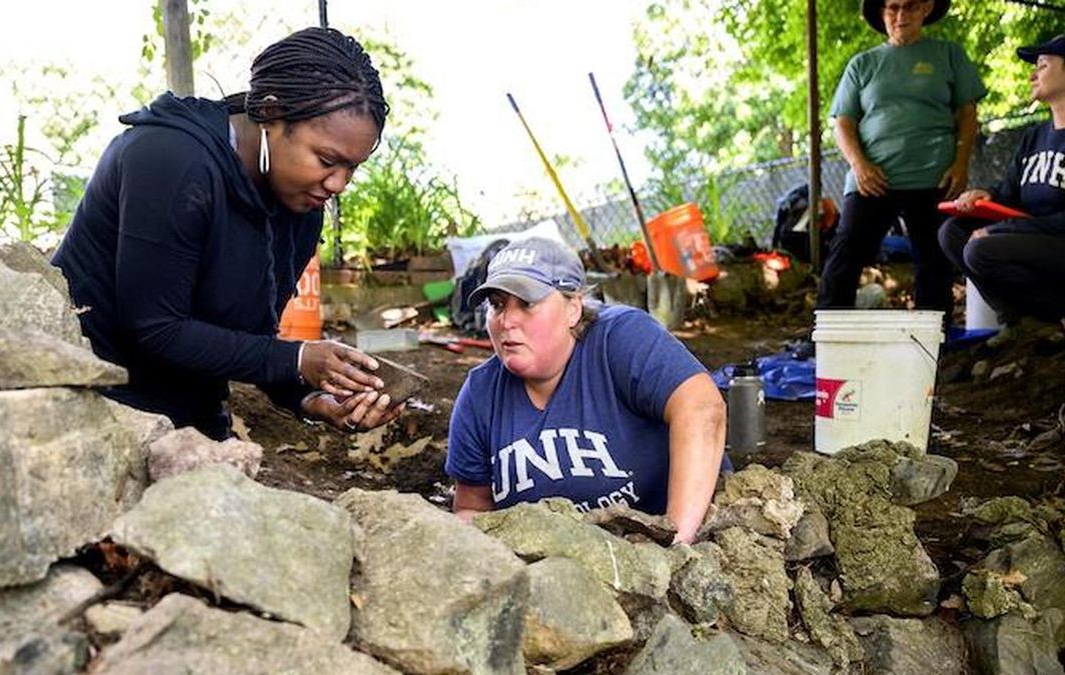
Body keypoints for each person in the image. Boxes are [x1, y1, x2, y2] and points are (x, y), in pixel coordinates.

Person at [52, 27, 403, 440]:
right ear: (271, 115)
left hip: (191, 410)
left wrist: (310, 398)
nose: (338, 184)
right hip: (94, 405)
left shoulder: (301, 202)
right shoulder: (172, 158)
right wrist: (297, 358)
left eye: (352, 168)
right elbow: (154, 327)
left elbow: (250, 341)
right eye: (328, 159)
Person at [444, 237, 727, 544]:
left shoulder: (620, 339)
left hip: (657, 549)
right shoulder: (480, 394)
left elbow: (701, 408)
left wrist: (677, 546)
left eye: (526, 303)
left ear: (573, 309)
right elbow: (473, 508)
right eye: (497, 304)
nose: (507, 320)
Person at [938, 31, 1065, 335]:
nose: (1032, 74)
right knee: (952, 233)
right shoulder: (1034, 136)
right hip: (1048, 246)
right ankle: (1027, 320)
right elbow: (1010, 196)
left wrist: (997, 231)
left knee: (981, 249)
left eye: (1042, 65)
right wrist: (985, 196)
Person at [818, 0, 986, 320]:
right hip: (871, 178)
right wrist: (859, 165)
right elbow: (843, 122)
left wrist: (961, 164)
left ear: (926, 8)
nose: (900, 15)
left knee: (934, 260)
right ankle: (826, 339)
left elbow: (967, 112)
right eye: (892, 8)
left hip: (934, 177)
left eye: (909, 6)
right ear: (882, 14)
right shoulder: (862, 64)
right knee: (844, 256)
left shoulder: (949, 55)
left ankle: (932, 344)